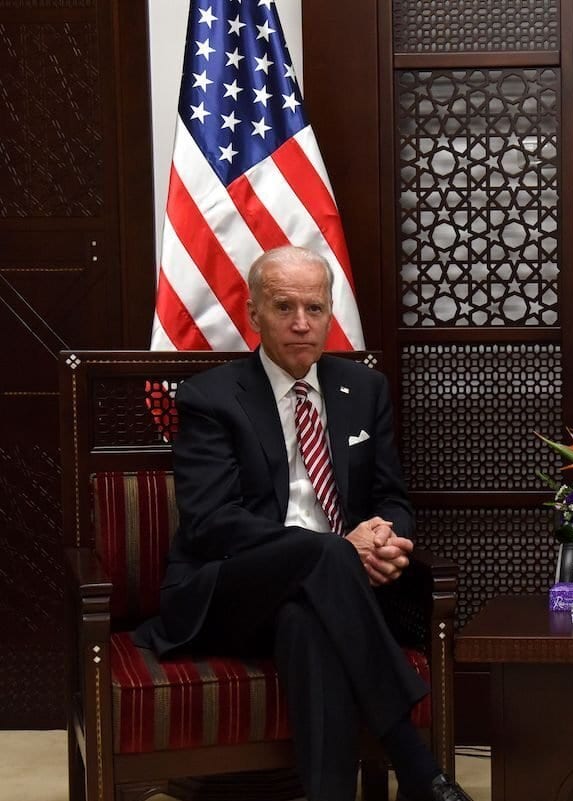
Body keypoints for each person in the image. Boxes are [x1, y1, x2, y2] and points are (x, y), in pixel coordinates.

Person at [135, 246, 473, 801]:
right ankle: (415, 763)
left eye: (314, 309)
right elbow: (211, 522)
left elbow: (390, 495)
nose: (300, 323)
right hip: (230, 590)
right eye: (284, 307)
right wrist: (339, 547)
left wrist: (385, 537)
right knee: (327, 554)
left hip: (330, 596)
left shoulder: (363, 389)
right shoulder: (212, 397)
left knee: (306, 622)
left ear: (329, 313)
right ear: (253, 313)